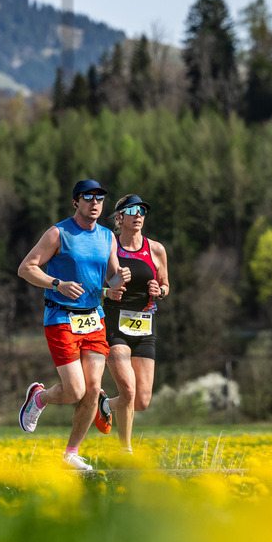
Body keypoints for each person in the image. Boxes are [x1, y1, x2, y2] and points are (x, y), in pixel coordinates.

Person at [17, 179, 130, 471]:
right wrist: (57, 284)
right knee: (75, 391)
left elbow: (112, 277)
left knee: (93, 390)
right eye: (88, 197)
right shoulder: (59, 233)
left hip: (94, 319)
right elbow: (26, 268)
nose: (95, 203)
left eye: (100, 199)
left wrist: (120, 282)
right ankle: (38, 398)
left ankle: (70, 454)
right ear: (76, 202)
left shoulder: (107, 237)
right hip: (61, 317)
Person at [93, 194, 169, 454]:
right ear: (120, 218)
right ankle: (125, 451)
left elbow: (166, 285)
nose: (139, 215)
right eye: (133, 210)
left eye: (142, 211)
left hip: (146, 327)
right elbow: (96, 284)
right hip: (115, 325)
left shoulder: (156, 249)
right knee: (127, 388)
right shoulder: (109, 246)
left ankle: (105, 406)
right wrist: (108, 289)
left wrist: (160, 289)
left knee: (141, 400)